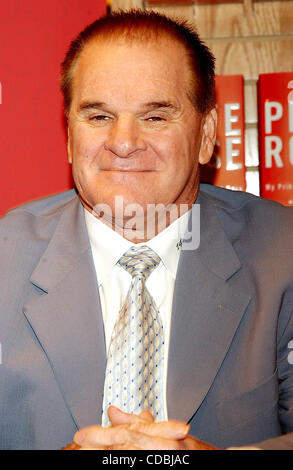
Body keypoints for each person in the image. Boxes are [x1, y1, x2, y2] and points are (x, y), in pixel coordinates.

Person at [0, 10, 293, 451]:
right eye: (98, 116)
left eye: (155, 117)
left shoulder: (284, 252)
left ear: (207, 133)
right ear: (68, 136)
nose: (123, 142)